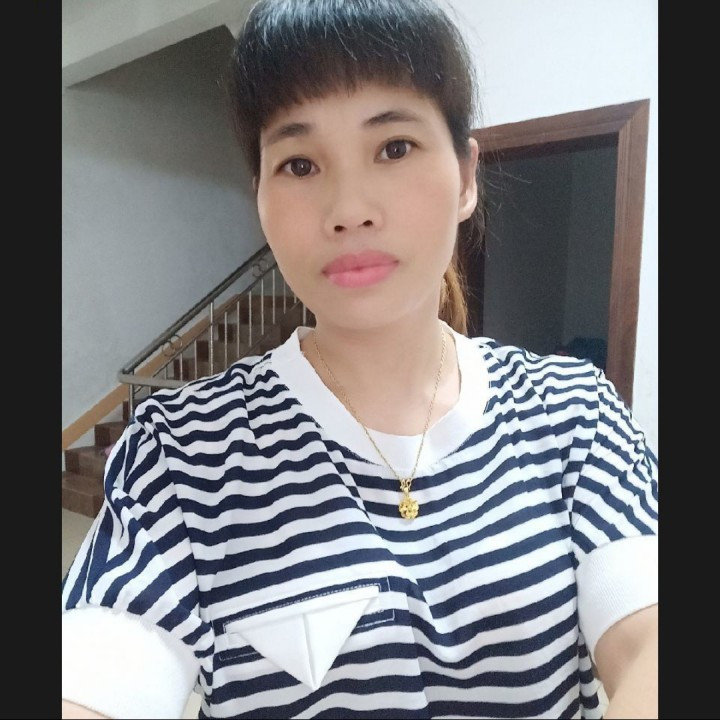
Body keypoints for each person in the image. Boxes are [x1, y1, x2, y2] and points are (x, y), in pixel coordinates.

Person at [61, 0, 658, 717]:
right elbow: (99, 670)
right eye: (300, 163)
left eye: (394, 147)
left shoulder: (574, 413)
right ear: (260, 199)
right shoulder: (183, 454)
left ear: (466, 177)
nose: (348, 209)